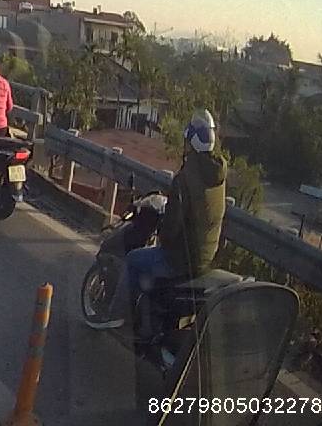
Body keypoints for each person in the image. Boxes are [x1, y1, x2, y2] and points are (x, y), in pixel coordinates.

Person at [90, 109, 228, 335]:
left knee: (133, 260)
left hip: (182, 259)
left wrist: (162, 230)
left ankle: (116, 316)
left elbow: (171, 228)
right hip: (206, 256)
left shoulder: (185, 177)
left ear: (191, 142)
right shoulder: (218, 175)